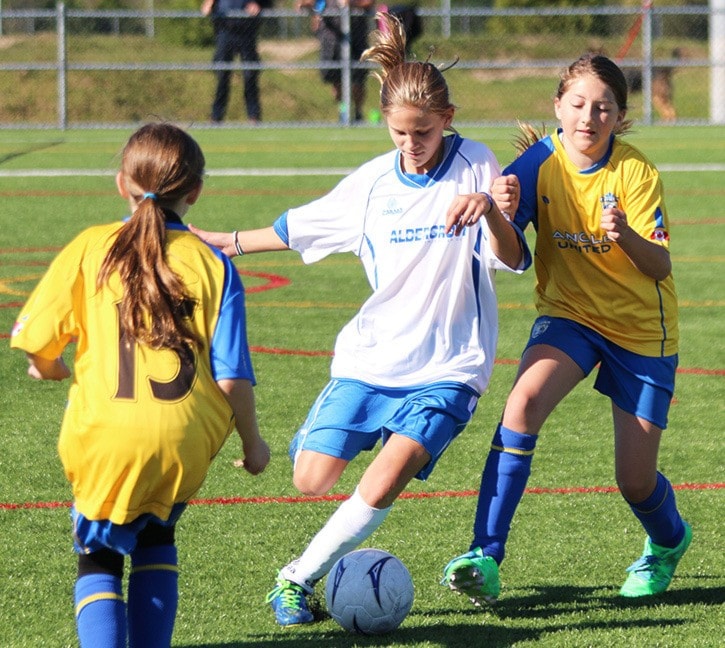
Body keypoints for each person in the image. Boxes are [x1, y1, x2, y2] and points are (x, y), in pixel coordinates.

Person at [190, 12, 530, 627]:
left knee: (383, 479)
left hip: (449, 367)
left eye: (422, 132)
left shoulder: (475, 164)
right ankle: (359, 440)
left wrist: (491, 212)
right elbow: (301, 227)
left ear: (446, 121)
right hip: (372, 359)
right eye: (399, 133)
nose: (410, 144)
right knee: (311, 479)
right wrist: (224, 241)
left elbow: (512, 260)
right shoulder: (373, 183)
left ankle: (294, 578)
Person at [441, 53, 691, 606]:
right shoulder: (538, 162)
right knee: (522, 403)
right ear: (558, 106)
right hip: (571, 315)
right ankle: (485, 554)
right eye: (577, 104)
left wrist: (622, 233)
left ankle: (668, 542)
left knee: (635, 481)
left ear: (619, 117)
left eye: (602, 107)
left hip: (641, 331)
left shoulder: (635, 171)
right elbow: (514, 258)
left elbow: (660, 266)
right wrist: (499, 216)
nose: (588, 116)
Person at [10, 123, 270, 646]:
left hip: (104, 438)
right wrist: (252, 442)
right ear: (195, 191)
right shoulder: (212, 263)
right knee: (157, 538)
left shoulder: (91, 248)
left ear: (121, 182)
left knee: (98, 556)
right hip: (182, 443)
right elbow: (232, 376)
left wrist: (52, 370)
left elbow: (41, 352)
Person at [296, 0, 375, 122]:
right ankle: (343, 111)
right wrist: (306, 5)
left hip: (356, 38)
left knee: (357, 81)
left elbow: (369, 2)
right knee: (335, 80)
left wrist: (351, 4)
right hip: (331, 41)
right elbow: (310, 4)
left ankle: (358, 112)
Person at [203, 0, 264, 123]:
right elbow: (206, 8)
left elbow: (265, 3)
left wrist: (258, 4)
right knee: (222, 76)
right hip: (225, 31)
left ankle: (253, 116)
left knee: (250, 76)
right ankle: (216, 117)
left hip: (246, 31)